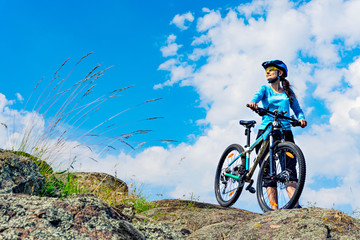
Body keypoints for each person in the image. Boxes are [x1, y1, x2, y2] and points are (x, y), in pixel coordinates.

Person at [248, 60, 307, 210]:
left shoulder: (288, 93)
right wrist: (254, 103)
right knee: (267, 169)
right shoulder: (264, 89)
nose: (267, 72)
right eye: (266, 70)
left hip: (285, 132)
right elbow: (255, 98)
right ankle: (273, 209)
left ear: (280, 73)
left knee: (289, 168)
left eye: (271, 69)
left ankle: (295, 205)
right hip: (267, 130)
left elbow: (297, 110)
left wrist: (301, 118)